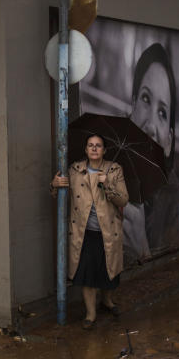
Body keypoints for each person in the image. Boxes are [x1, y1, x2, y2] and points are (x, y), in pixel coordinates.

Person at [122, 43, 179, 262]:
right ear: (132, 107)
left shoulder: (175, 202)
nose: (151, 126)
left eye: (162, 113)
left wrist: (141, 248)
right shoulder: (107, 170)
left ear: (169, 141)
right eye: (145, 99)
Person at [51, 133, 129, 328]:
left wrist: (107, 184)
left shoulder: (114, 170)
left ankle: (107, 301)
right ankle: (90, 314)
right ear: (86, 150)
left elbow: (123, 200)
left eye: (99, 145)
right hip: (83, 232)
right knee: (87, 274)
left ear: (104, 150)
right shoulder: (75, 170)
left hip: (109, 232)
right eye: (90, 145)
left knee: (109, 271)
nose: (94, 148)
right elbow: (59, 195)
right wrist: (54, 185)